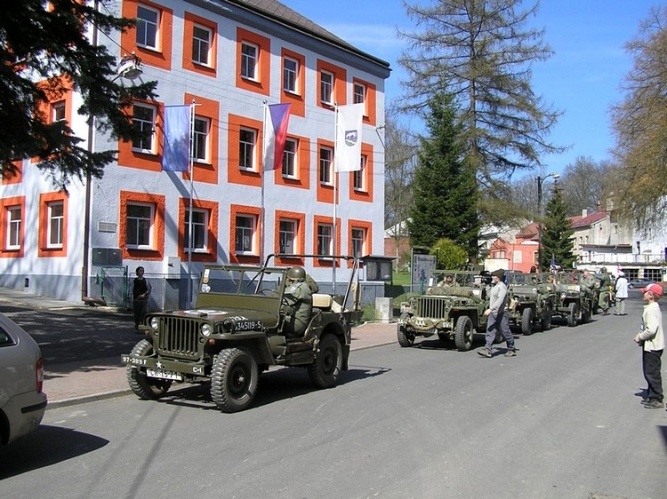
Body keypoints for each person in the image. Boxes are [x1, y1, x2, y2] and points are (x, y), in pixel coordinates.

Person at [633, 283, 664, 409]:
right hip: (651, 345)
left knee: (651, 373)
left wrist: (639, 337)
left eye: (645, 292)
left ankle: (657, 398)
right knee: (649, 372)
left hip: (653, 346)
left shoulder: (651, 310)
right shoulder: (652, 308)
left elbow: (651, 329)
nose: (643, 294)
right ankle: (652, 395)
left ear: (651, 295)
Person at [478, 269, 516, 358]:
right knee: (490, 330)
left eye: (494, 276)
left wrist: (491, 309)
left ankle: (511, 348)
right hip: (493, 313)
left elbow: (500, 300)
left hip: (501, 313)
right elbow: (489, 296)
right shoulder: (494, 286)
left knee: (505, 331)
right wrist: (487, 285)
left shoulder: (502, 287)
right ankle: (488, 350)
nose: (492, 277)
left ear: (498, 277)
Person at [281, 266, 313, 338]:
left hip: (296, 323)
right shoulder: (304, 286)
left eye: (288, 279)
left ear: (292, 279)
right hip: (297, 321)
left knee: (272, 321)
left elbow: (282, 301)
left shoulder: (299, 288)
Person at [132, 266, 152, 332]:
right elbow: (131, 289)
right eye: (140, 270)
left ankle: (142, 327)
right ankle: (137, 327)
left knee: (143, 313)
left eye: (143, 271)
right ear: (137, 272)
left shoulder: (145, 281)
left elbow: (149, 289)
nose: (142, 272)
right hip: (136, 299)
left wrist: (144, 294)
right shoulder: (134, 281)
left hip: (143, 300)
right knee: (136, 314)